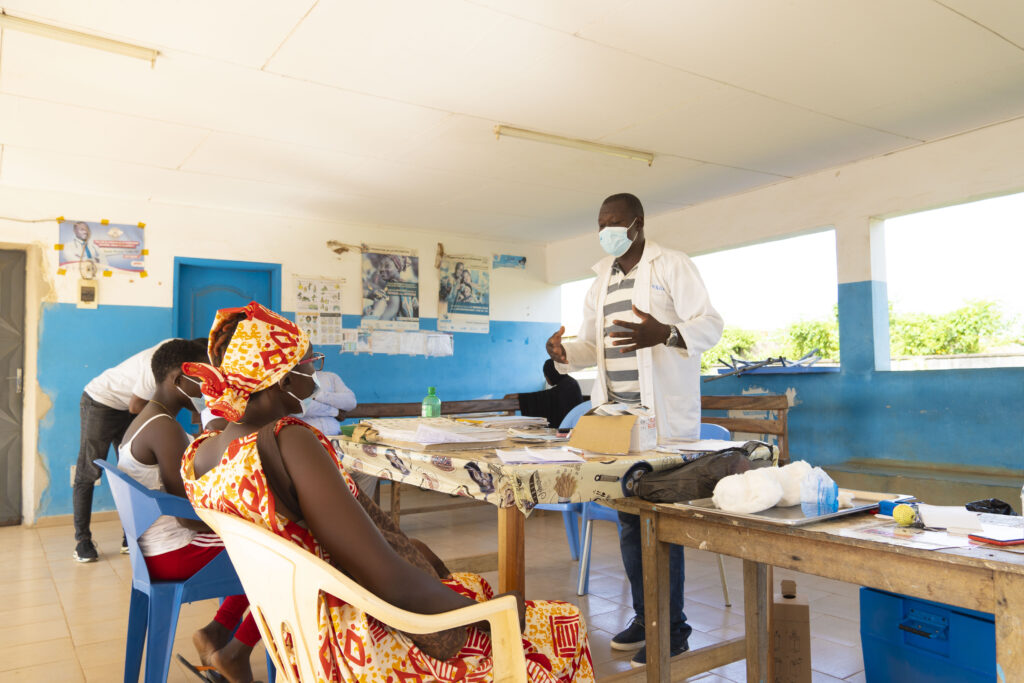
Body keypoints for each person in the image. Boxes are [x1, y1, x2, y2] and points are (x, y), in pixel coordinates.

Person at [181, 302, 594, 683]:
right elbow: (387, 580)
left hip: (301, 635)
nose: (315, 373)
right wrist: (489, 618)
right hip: (361, 649)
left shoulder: (204, 452)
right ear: (283, 380)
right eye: (310, 365)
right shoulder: (289, 441)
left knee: (458, 578)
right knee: (560, 628)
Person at [546, 193, 723, 666]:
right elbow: (592, 347)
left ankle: (675, 629)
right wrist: (565, 354)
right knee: (628, 520)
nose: (607, 230)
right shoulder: (601, 279)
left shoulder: (672, 265)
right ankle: (648, 618)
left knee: (658, 521)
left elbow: (710, 325)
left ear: (637, 224)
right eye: (601, 222)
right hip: (617, 421)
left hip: (661, 419)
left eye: (615, 222)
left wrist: (663, 333)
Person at [115, 339, 261, 680]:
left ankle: (218, 633)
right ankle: (236, 651)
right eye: (204, 377)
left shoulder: (150, 419)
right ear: (181, 379)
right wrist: (242, 525)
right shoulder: (164, 428)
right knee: (284, 555)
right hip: (177, 550)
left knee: (264, 543)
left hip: (154, 547)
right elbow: (189, 514)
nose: (210, 385)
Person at [73, 337, 177, 562]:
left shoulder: (177, 352)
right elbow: (136, 406)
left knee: (133, 471)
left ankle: (129, 537)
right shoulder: (156, 365)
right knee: (89, 470)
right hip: (100, 401)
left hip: (126, 406)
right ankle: (82, 541)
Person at [517, 359, 584, 428]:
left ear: (552, 373)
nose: (546, 378)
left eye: (545, 374)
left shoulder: (568, 385)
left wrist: (520, 398)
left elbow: (547, 398)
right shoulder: (569, 382)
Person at [297, 370, 357, 436]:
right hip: (306, 439)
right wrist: (334, 411)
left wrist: (318, 395)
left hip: (336, 437)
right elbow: (299, 407)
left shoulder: (330, 376)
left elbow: (351, 402)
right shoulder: (290, 378)